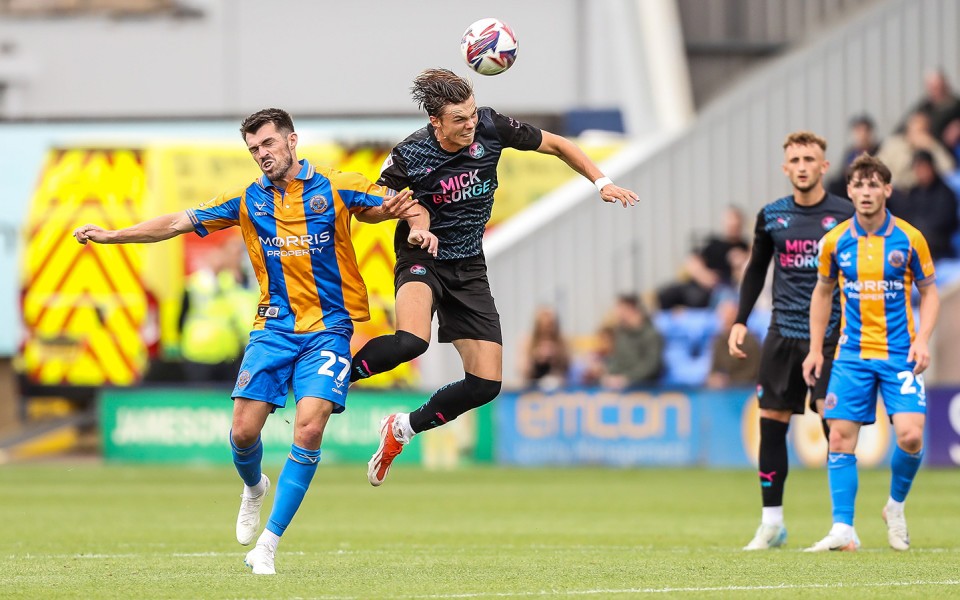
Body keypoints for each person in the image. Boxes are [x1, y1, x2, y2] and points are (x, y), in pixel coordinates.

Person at [72, 108, 437, 575]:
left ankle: (267, 545)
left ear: (291, 140)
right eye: (254, 149)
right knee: (244, 432)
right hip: (273, 328)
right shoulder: (246, 199)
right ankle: (253, 487)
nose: (261, 155)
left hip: (329, 330)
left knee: (308, 427)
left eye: (267, 144)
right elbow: (176, 222)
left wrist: (418, 224)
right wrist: (114, 236)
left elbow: (403, 204)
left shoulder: (339, 183)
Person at [348, 68, 639, 486]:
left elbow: (557, 144)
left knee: (486, 384)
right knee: (412, 341)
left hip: (468, 266)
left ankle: (401, 430)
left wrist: (602, 183)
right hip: (422, 256)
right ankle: (335, 378)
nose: (470, 125)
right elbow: (367, 208)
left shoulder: (490, 124)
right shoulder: (409, 154)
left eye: (471, 114)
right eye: (459, 119)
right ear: (436, 122)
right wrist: (407, 217)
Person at [802, 153, 939, 552]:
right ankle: (843, 529)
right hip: (851, 355)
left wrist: (923, 338)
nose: (865, 192)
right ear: (849, 191)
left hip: (900, 354)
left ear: (887, 190)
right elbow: (822, 293)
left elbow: (930, 292)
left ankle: (894, 507)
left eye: (873, 184)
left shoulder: (910, 239)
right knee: (840, 438)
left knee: (911, 437)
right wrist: (815, 350)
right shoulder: (835, 241)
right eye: (858, 185)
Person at [728, 131, 854, 551]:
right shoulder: (771, 216)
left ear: (824, 166)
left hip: (833, 337)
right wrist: (740, 320)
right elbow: (755, 271)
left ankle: (842, 526)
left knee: (835, 428)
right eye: (795, 159)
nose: (802, 166)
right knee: (772, 428)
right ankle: (772, 524)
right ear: (786, 168)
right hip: (782, 335)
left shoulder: (845, 215)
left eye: (809, 159)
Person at [178, 236, 257, 382]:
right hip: (199, 353)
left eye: (241, 253)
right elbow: (181, 319)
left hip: (233, 353)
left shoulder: (242, 283)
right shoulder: (205, 281)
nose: (239, 258)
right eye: (234, 253)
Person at [656, 206, 749, 309]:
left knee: (700, 299)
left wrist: (740, 264)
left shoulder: (745, 248)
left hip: (719, 290)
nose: (732, 225)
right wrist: (704, 275)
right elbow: (692, 260)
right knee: (665, 295)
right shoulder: (714, 243)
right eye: (729, 221)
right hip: (697, 284)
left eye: (735, 221)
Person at [887, 150, 960, 261]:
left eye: (923, 167)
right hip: (914, 248)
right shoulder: (914, 192)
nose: (920, 172)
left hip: (939, 252)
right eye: (917, 168)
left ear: (932, 167)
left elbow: (945, 223)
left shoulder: (946, 194)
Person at [601, 295, 664, 389]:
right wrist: (610, 375)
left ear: (630, 308)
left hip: (645, 389)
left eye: (619, 308)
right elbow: (616, 360)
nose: (616, 312)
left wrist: (627, 378)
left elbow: (652, 365)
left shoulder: (651, 334)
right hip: (621, 387)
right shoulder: (621, 333)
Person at [519, 306, 571, 391]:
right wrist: (536, 357)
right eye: (544, 326)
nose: (548, 330)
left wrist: (556, 356)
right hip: (531, 389)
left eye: (551, 325)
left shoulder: (562, 341)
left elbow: (568, 368)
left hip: (558, 388)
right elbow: (522, 370)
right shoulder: (527, 342)